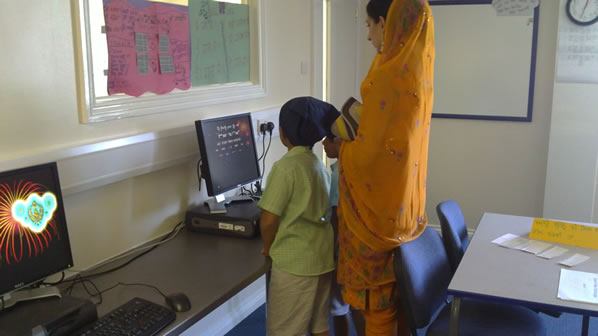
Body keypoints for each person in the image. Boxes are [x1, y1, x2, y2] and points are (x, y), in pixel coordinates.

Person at [335, 0, 435, 335]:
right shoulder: (418, 73)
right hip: (405, 205)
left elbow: (369, 156)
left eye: (368, 25)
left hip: (377, 213)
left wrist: (340, 148)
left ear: (384, 23)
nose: (367, 36)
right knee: (402, 293)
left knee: (377, 303)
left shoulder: (386, 76)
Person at [258, 96, 339, 336]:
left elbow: (269, 219)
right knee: (319, 325)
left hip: (294, 267)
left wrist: (266, 246)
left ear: (282, 133)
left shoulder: (285, 168)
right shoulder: (318, 166)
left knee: (284, 329)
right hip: (323, 260)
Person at [323, 136, 366, 336]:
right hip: (358, 249)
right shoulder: (359, 168)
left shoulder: (339, 174)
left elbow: (337, 218)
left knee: (340, 307)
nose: (323, 143)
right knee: (356, 305)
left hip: (342, 253)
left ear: (343, 143)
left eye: (329, 139)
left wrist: (331, 253)